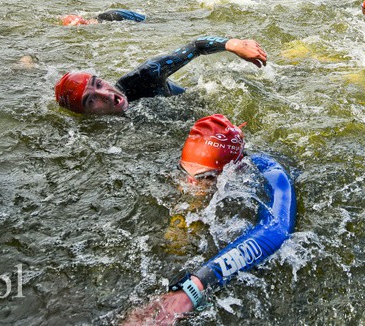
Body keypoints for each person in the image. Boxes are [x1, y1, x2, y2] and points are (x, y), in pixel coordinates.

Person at [122, 115, 295, 325]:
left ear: (235, 170)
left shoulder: (271, 174)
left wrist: (192, 289)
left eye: (206, 177)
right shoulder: (186, 173)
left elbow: (276, 230)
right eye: (184, 173)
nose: (191, 186)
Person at [55, 37, 267, 115]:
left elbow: (196, 46)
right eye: (91, 100)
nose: (106, 94)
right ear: (84, 114)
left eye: (99, 84)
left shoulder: (143, 77)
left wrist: (234, 44)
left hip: (198, 105)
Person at [61, 9, 146, 26]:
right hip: (113, 13)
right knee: (146, 19)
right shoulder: (92, 18)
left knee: (146, 21)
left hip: (115, 15)